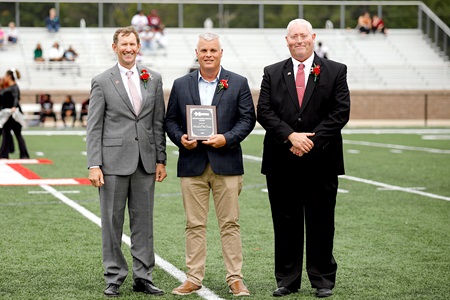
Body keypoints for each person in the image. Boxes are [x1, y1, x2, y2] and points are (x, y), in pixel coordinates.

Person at [256, 19, 350, 298]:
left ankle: (322, 280)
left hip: (321, 159)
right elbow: (264, 111)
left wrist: (309, 141)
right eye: (293, 36)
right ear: (286, 40)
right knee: (285, 221)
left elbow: (340, 112)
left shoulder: (335, 71)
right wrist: (291, 137)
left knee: (322, 220)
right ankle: (287, 279)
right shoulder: (272, 72)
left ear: (313, 37)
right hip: (281, 159)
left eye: (303, 35)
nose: (299, 40)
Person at [164, 32, 255, 297]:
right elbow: (170, 121)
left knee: (230, 224)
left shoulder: (237, 82)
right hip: (192, 164)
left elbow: (248, 119)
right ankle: (193, 277)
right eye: (204, 50)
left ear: (221, 52)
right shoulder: (181, 84)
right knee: (194, 224)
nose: (208, 55)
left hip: (226, 163)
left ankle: (235, 279)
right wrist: (181, 138)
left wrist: (226, 138)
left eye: (213, 50)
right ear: (197, 52)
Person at [86, 26, 167, 297]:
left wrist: (160, 160)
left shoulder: (153, 79)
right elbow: (94, 127)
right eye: (124, 44)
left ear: (138, 46)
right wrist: (94, 164)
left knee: (144, 222)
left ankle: (143, 277)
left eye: (133, 43)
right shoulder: (102, 81)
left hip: (145, 162)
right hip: (112, 164)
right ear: (115, 47)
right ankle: (114, 276)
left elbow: (157, 123)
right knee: (112, 222)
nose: (129, 48)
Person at [0, 69, 30, 159]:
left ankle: (23, 155)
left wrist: (14, 107)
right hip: (7, 115)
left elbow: (16, 98)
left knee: (16, 134)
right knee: (6, 134)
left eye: (5, 76)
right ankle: (4, 154)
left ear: (9, 76)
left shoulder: (14, 87)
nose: (4, 77)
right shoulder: (8, 87)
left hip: (13, 115)